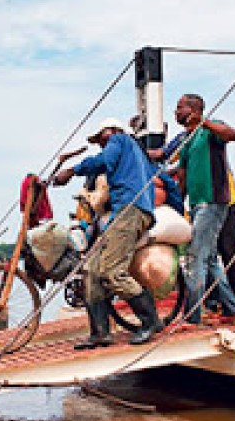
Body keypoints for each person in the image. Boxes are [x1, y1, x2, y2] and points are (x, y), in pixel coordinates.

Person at [54, 117, 161, 348]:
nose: (101, 144)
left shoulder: (119, 139)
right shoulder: (136, 152)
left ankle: (150, 321)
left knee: (112, 271)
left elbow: (104, 160)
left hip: (130, 209)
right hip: (125, 212)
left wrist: (72, 170)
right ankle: (100, 333)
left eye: (101, 138)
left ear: (111, 131)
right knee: (91, 270)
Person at [172, 93, 235, 325]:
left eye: (179, 107)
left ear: (193, 110)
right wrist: (176, 205)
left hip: (213, 202)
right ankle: (232, 307)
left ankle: (192, 317)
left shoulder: (210, 130)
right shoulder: (186, 139)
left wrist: (203, 121)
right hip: (195, 204)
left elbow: (234, 135)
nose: (175, 112)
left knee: (194, 258)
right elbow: (182, 176)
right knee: (210, 259)